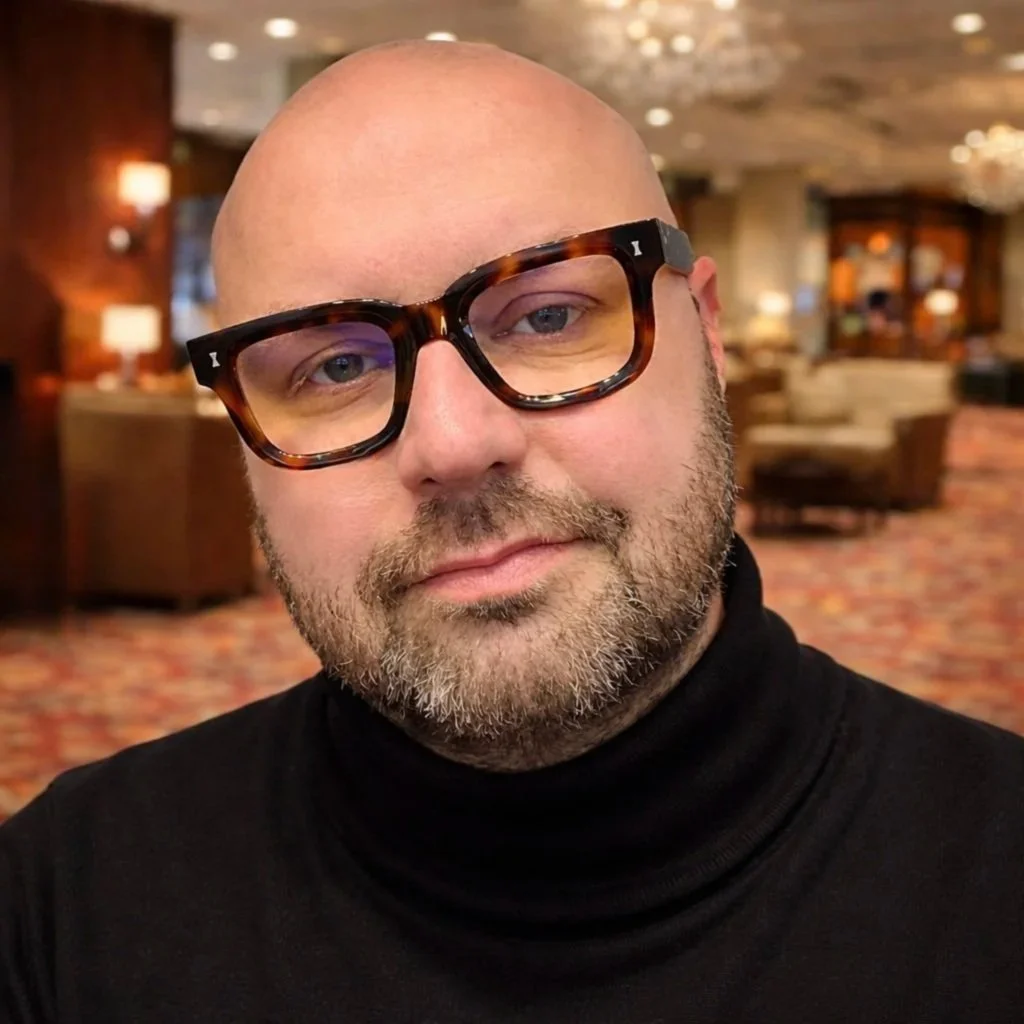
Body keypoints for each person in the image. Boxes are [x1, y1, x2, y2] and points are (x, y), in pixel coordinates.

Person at [2, 41, 1022, 1022]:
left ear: (705, 337)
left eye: (545, 316)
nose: (453, 443)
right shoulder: (62, 906)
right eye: (335, 367)